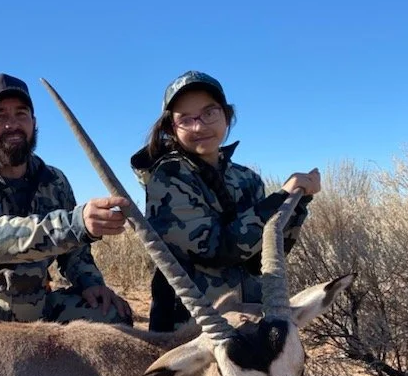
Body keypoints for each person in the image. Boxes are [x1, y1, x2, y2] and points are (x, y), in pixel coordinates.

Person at [0, 73, 133, 330]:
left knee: (112, 314)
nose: (12, 124)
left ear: (34, 123)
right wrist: (76, 223)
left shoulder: (55, 180)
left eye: (21, 114)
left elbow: (74, 251)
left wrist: (90, 283)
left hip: (32, 308)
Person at [129, 71, 321, 332]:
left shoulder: (247, 178)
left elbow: (261, 257)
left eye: (209, 113)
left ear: (226, 115)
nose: (199, 126)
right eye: (185, 119)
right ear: (171, 128)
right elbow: (216, 250)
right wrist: (281, 198)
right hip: (192, 329)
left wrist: (298, 203)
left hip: (248, 320)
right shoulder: (167, 178)